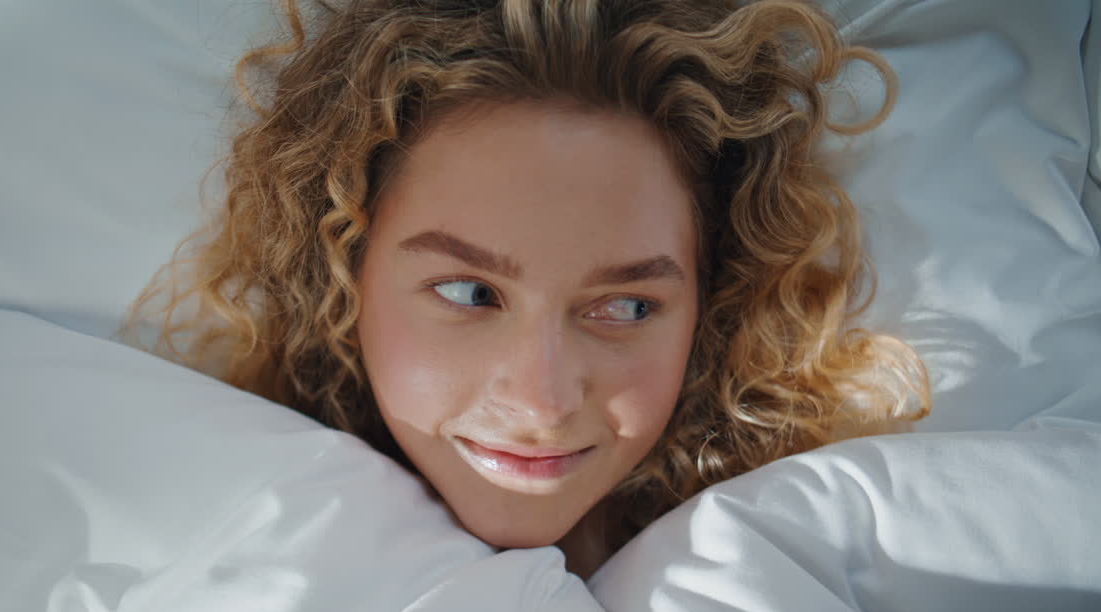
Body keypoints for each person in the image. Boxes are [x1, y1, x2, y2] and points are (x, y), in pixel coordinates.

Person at [122, 0, 929, 579]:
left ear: (710, 305)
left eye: (625, 307)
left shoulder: (824, 569)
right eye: (470, 293)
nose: (543, 402)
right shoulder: (202, 537)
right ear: (343, 268)